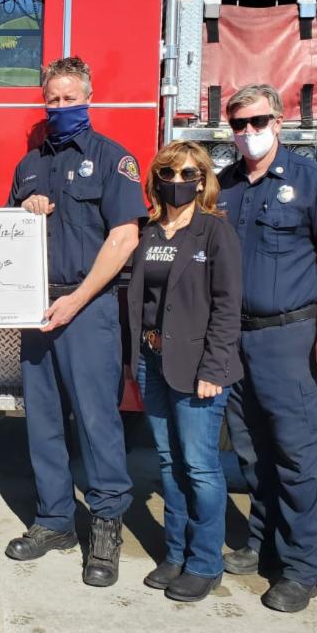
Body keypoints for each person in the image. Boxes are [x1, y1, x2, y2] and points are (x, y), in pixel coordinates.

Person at [216, 83, 317, 613]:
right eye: (239, 124)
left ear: (279, 122)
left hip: (291, 340)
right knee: (252, 454)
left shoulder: (313, 182)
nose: (248, 133)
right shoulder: (224, 187)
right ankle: (263, 543)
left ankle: (301, 569)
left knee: (298, 459)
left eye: (258, 122)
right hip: (236, 340)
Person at [5, 56, 147, 587]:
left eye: (70, 98)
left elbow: (124, 238)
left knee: (96, 420)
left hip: (87, 309)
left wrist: (77, 299)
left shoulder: (113, 159)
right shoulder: (28, 166)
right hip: (36, 308)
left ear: (89, 98)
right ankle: (54, 521)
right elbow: (4, 237)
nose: (61, 106)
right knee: (42, 421)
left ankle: (106, 528)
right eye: (53, 99)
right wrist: (24, 209)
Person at [125, 141, 242, 603]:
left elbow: (228, 307)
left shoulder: (215, 232)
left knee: (199, 466)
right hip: (151, 360)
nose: (178, 182)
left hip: (198, 368)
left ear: (203, 180)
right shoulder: (148, 231)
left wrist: (214, 367)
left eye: (189, 174)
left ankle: (205, 563)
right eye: (169, 173)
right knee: (169, 462)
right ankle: (175, 554)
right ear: (156, 179)